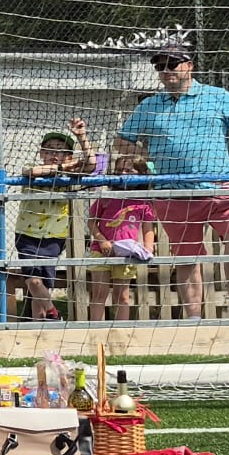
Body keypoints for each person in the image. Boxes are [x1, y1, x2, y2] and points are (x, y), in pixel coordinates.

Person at [119, 43, 229, 319]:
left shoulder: (217, 97)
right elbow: (122, 142)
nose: (165, 70)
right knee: (188, 257)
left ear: (189, 65)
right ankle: (193, 317)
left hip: (218, 189)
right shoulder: (149, 106)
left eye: (171, 64)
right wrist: (148, 156)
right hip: (171, 192)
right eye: (159, 66)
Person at [14, 120, 94, 320]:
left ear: (68, 156)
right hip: (27, 234)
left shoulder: (69, 174)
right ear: (41, 153)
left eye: (59, 151)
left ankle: (40, 327)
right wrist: (63, 165)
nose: (53, 154)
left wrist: (82, 137)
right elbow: (31, 172)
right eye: (49, 150)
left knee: (41, 287)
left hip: (54, 237)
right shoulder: (34, 169)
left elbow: (92, 164)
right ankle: (53, 312)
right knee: (33, 282)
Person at [87, 137, 159, 322]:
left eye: (129, 170)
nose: (123, 174)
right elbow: (91, 222)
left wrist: (148, 248)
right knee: (99, 293)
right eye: (119, 171)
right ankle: (95, 330)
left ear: (142, 174)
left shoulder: (143, 202)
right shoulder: (107, 196)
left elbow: (148, 228)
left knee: (123, 296)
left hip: (126, 253)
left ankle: (122, 331)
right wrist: (101, 240)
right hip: (100, 251)